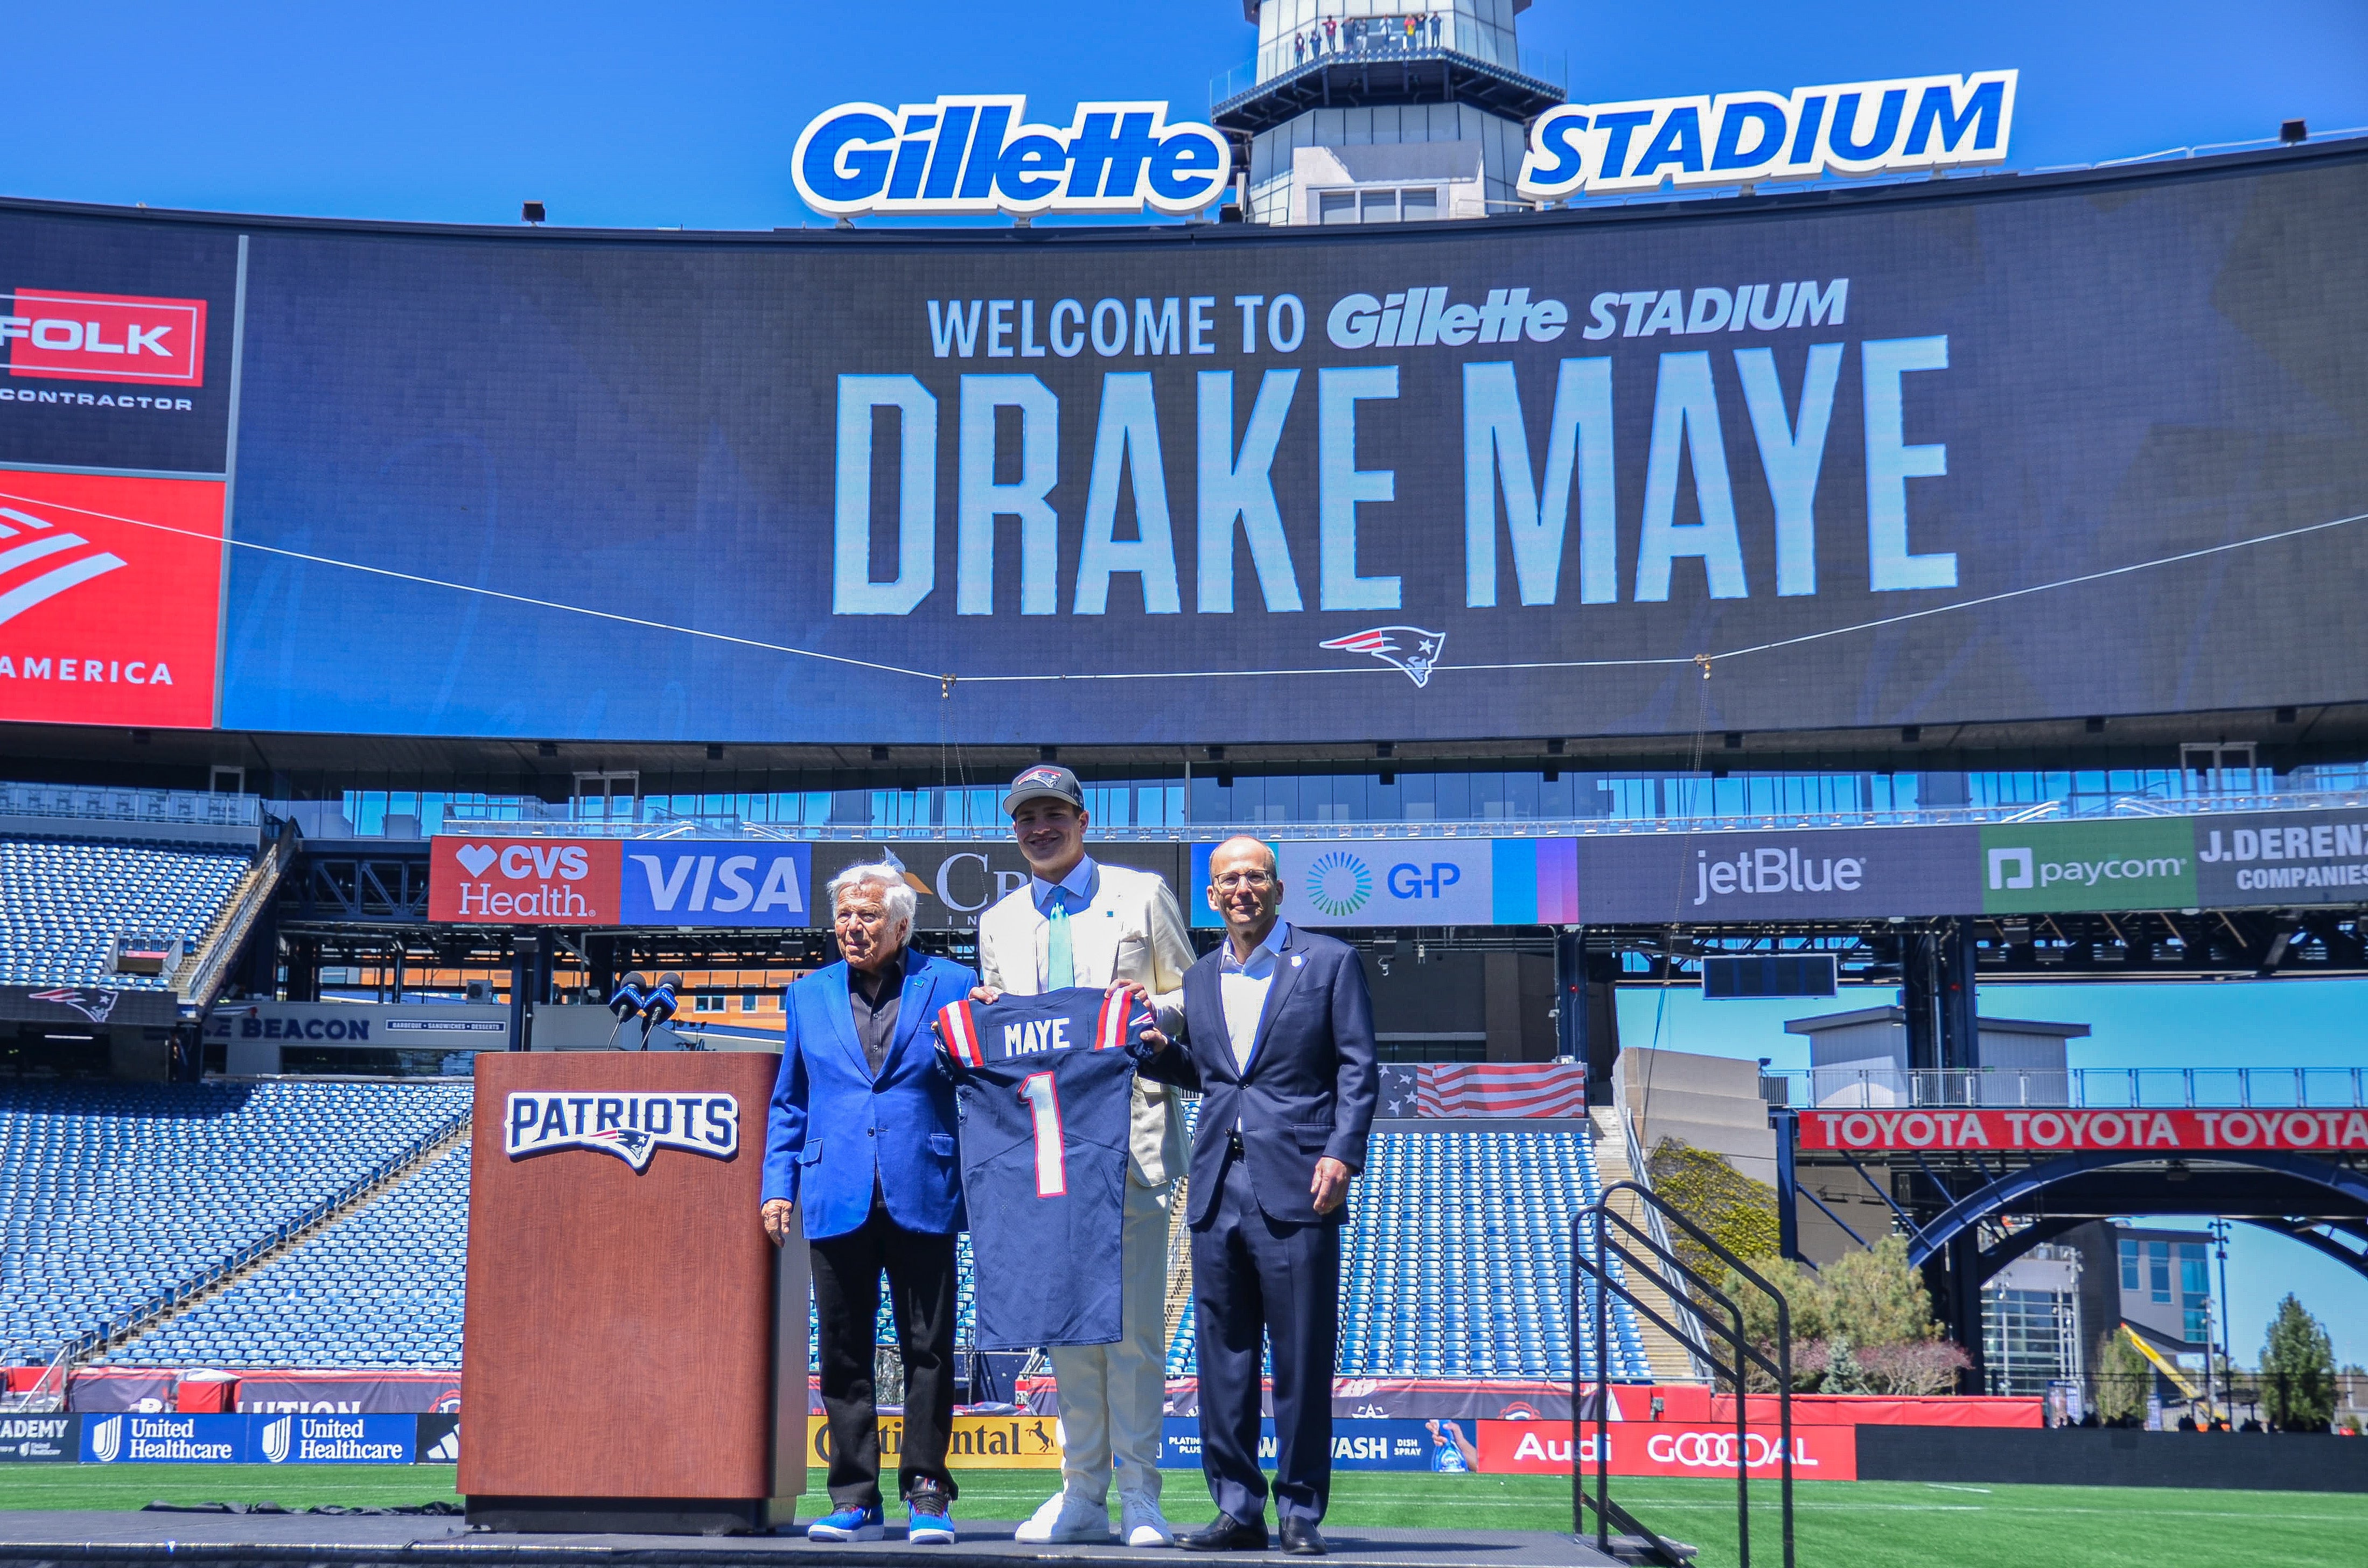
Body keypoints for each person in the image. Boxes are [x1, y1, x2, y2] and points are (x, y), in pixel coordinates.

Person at [1136, 836, 1379, 1557]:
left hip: (1299, 1181)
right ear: (1210, 896)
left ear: (1276, 886)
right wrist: (1155, 1049)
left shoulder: (1330, 962)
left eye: (1253, 876)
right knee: (1224, 1359)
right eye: (1226, 880)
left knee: (1301, 1357)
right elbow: (1215, 1080)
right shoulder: (1202, 977)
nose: (1240, 889)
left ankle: (1300, 1511)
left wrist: (1341, 1152)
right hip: (1216, 1187)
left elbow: (1358, 1067)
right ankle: (1237, 1509)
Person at [975, 764, 1195, 1548]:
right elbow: (1002, 1034)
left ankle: (1141, 1496)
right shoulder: (998, 920)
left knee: (1133, 1332)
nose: (1039, 828)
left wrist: (1143, 1014)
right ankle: (1081, 1495)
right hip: (1046, 1147)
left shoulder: (1140, 894)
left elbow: (1190, 993)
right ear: (1015, 830)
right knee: (1067, 1330)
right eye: (1025, 818)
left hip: (1128, 1138)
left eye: (1053, 814)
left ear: (1081, 818)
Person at [762, 862, 978, 1546]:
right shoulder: (805, 993)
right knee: (844, 1351)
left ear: (902, 924)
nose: (853, 928)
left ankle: (927, 1491)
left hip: (924, 1185)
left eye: (868, 916)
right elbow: (790, 1099)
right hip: (835, 1189)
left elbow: (980, 1076)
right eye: (845, 916)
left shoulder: (952, 982)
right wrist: (776, 1184)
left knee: (929, 1349)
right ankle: (853, 1495)